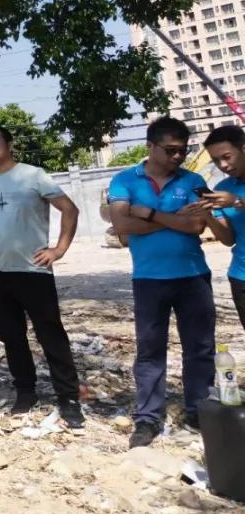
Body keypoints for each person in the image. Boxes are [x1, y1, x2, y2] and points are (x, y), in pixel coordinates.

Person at [0, 125, 85, 429]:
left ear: (9, 144)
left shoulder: (33, 175)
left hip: (33, 270)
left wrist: (59, 249)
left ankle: (68, 398)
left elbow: (69, 209)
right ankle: (25, 391)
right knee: (11, 336)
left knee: (51, 335)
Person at [107, 116, 215, 448]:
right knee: (150, 350)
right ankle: (148, 418)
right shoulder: (125, 181)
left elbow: (197, 226)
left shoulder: (194, 180)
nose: (177, 156)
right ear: (150, 146)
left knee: (200, 348)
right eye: (170, 150)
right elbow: (121, 225)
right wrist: (174, 219)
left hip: (193, 276)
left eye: (183, 150)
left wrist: (149, 214)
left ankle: (199, 410)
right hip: (149, 279)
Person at [200, 124, 245, 331]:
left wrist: (236, 201)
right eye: (216, 160)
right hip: (241, 276)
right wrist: (206, 214)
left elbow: (235, 202)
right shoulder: (222, 189)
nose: (223, 165)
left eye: (227, 157)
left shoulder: (229, 196)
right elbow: (228, 239)